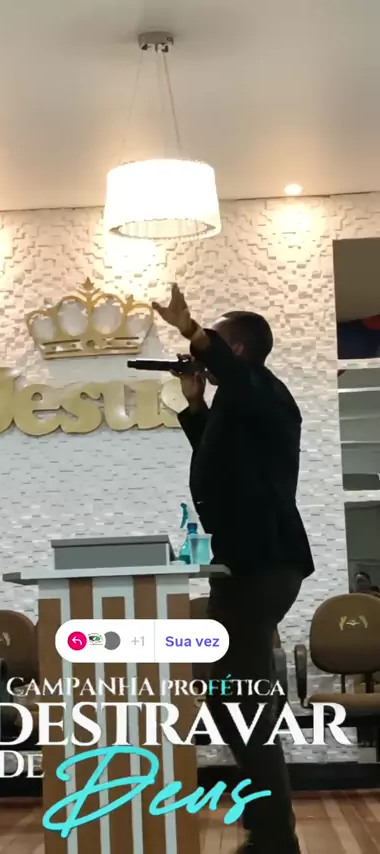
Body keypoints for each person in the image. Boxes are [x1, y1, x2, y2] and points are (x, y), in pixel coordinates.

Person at [153, 284, 315, 854]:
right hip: (244, 565)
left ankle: (273, 838)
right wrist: (195, 403)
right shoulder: (240, 402)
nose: (202, 350)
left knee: (241, 699)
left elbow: (231, 372)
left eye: (216, 342)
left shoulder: (262, 388)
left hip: (263, 563)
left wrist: (190, 328)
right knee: (232, 696)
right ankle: (270, 831)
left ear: (238, 349)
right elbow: (222, 461)